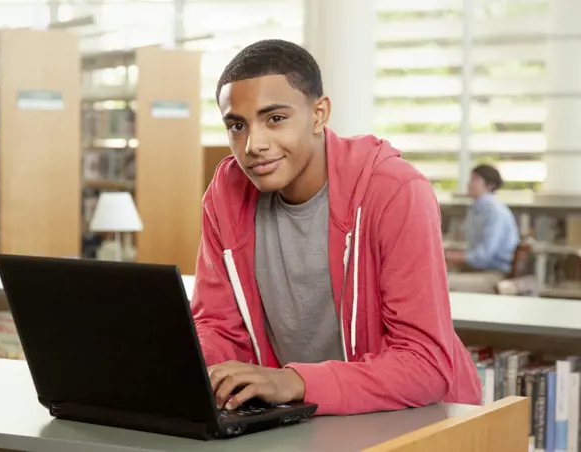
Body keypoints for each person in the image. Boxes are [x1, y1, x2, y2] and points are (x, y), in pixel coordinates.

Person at [190, 39, 482, 416]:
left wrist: (295, 382)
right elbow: (218, 327)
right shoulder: (225, 195)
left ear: (319, 114)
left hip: (424, 419)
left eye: (275, 118)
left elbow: (425, 364)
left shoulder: (395, 191)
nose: (253, 145)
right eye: (237, 126)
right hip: (308, 420)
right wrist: (182, 364)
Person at [446, 164, 520, 276]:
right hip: (475, 270)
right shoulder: (474, 209)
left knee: (444, 285)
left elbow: (484, 256)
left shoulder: (495, 212)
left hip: (494, 273)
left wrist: (448, 256)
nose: (469, 184)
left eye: (474, 179)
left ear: (490, 185)